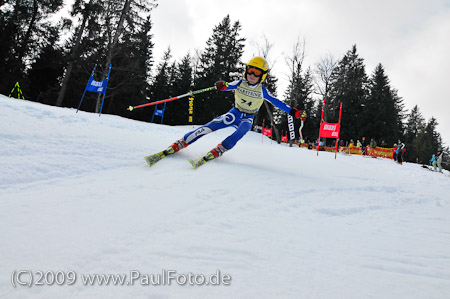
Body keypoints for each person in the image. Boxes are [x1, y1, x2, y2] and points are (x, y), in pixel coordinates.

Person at [146, 56, 306, 168]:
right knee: (211, 125)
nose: (252, 75)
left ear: (262, 76)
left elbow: (278, 103)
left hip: (248, 117)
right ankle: (181, 142)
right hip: (234, 113)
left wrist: (294, 112)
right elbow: (227, 86)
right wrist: (221, 85)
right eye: (250, 70)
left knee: (242, 130)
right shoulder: (241, 82)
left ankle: (220, 149)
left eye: (257, 73)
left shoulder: (262, 90)